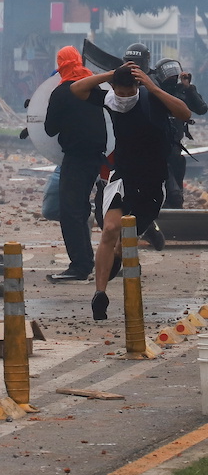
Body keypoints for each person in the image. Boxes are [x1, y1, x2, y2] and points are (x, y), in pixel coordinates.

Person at [70, 63, 191, 321]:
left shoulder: (151, 99)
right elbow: (77, 88)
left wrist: (151, 85)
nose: (124, 98)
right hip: (123, 175)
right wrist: (110, 75)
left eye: (129, 93)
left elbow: (184, 112)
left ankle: (116, 257)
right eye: (120, 92)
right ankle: (99, 294)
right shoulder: (110, 99)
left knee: (126, 240)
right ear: (114, 88)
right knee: (110, 229)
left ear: (137, 87)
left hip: (152, 181)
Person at [43, 46, 107, 282]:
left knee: (71, 212)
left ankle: (80, 266)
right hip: (98, 157)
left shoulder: (61, 92)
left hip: (76, 157)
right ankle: (87, 262)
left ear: (61, 66)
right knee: (81, 209)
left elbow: (50, 128)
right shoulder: (93, 85)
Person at [153, 58, 207, 209]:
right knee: (170, 192)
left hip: (176, 148)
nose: (171, 78)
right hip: (157, 148)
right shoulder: (154, 90)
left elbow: (202, 108)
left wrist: (188, 88)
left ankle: (173, 221)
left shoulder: (182, 91)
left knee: (177, 197)